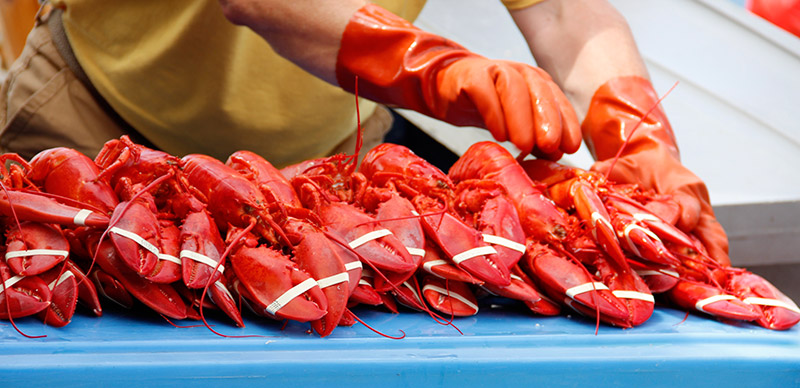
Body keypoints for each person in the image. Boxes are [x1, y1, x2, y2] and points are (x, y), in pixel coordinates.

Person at [0, 0, 729, 264]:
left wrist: (640, 135)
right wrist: (442, 71)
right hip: (95, 125)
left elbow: (572, 17)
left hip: (322, 175)